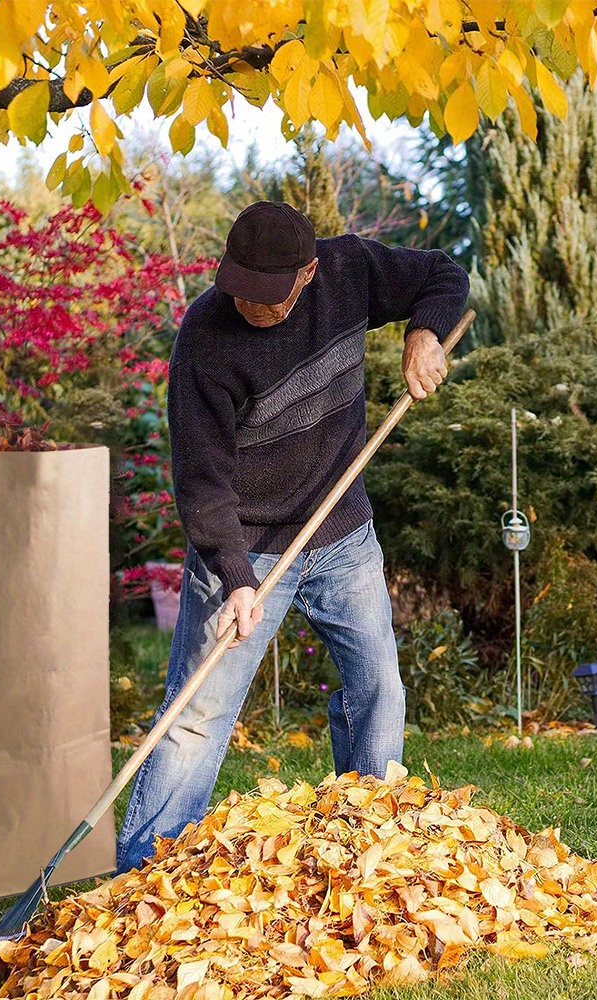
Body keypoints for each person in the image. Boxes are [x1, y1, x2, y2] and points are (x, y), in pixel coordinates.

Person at [116, 201, 470, 873]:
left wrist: (424, 333)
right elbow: (201, 482)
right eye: (241, 290)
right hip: (244, 545)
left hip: (342, 536)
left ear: (309, 271)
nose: (253, 306)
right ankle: (141, 871)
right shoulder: (205, 340)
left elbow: (443, 275)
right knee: (198, 712)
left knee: (378, 688)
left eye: (269, 296)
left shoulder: (350, 271)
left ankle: (373, 837)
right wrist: (235, 577)